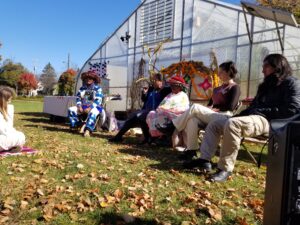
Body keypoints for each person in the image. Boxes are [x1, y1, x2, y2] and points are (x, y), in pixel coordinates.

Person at [184, 54, 300, 182]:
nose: (262, 70)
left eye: (265, 66)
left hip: (270, 121)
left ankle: (225, 169)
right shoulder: (265, 86)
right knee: (216, 124)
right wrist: (238, 116)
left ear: (278, 66)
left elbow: (292, 109)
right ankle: (204, 160)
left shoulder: (291, 83)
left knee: (234, 124)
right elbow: (253, 107)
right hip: (254, 117)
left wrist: (260, 111)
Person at [157, 61, 240, 160]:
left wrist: (214, 109)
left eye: (221, 72)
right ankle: (191, 151)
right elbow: (210, 104)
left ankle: (172, 127)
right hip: (212, 116)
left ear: (228, 72)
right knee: (192, 120)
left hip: (224, 117)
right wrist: (210, 108)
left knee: (195, 107)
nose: (218, 74)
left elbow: (231, 107)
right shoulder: (216, 89)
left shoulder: (235, 87)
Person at [109, 73, 171, 144]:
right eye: (152, 80)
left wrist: (163, 87)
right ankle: (118, 136)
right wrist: (144, 94)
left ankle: (148, 138)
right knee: (132, 118)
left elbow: (171, 90)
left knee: (138, 116)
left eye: (155, 80)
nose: (153, 81)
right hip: (146, 110)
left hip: (155, 113)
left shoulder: (164, 90)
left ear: (161, 81)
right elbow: (144, 100)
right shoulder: (151, 89)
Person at [68, 71, 104, 137]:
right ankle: (76, 125)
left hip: (96, 107)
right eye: (86, 78)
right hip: (84, 106)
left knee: (93, 112)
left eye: (90, 78)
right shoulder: (82, 88)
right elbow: (78, 98)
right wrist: (79, 107)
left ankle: (88, 130)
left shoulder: (97, 88)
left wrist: (90, 108)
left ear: (94, 79)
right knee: (71, 109)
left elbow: (98, 100)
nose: (88, 80)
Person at [0, 86, 26, 152]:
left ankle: (11, 146)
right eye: (9, 100)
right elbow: (4, 130)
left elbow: (9, 128)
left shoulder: (6, 110)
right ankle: (12, 146)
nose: (10, 102)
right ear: (3, 100)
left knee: (20, 135)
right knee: (17, 137)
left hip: (4, 136)